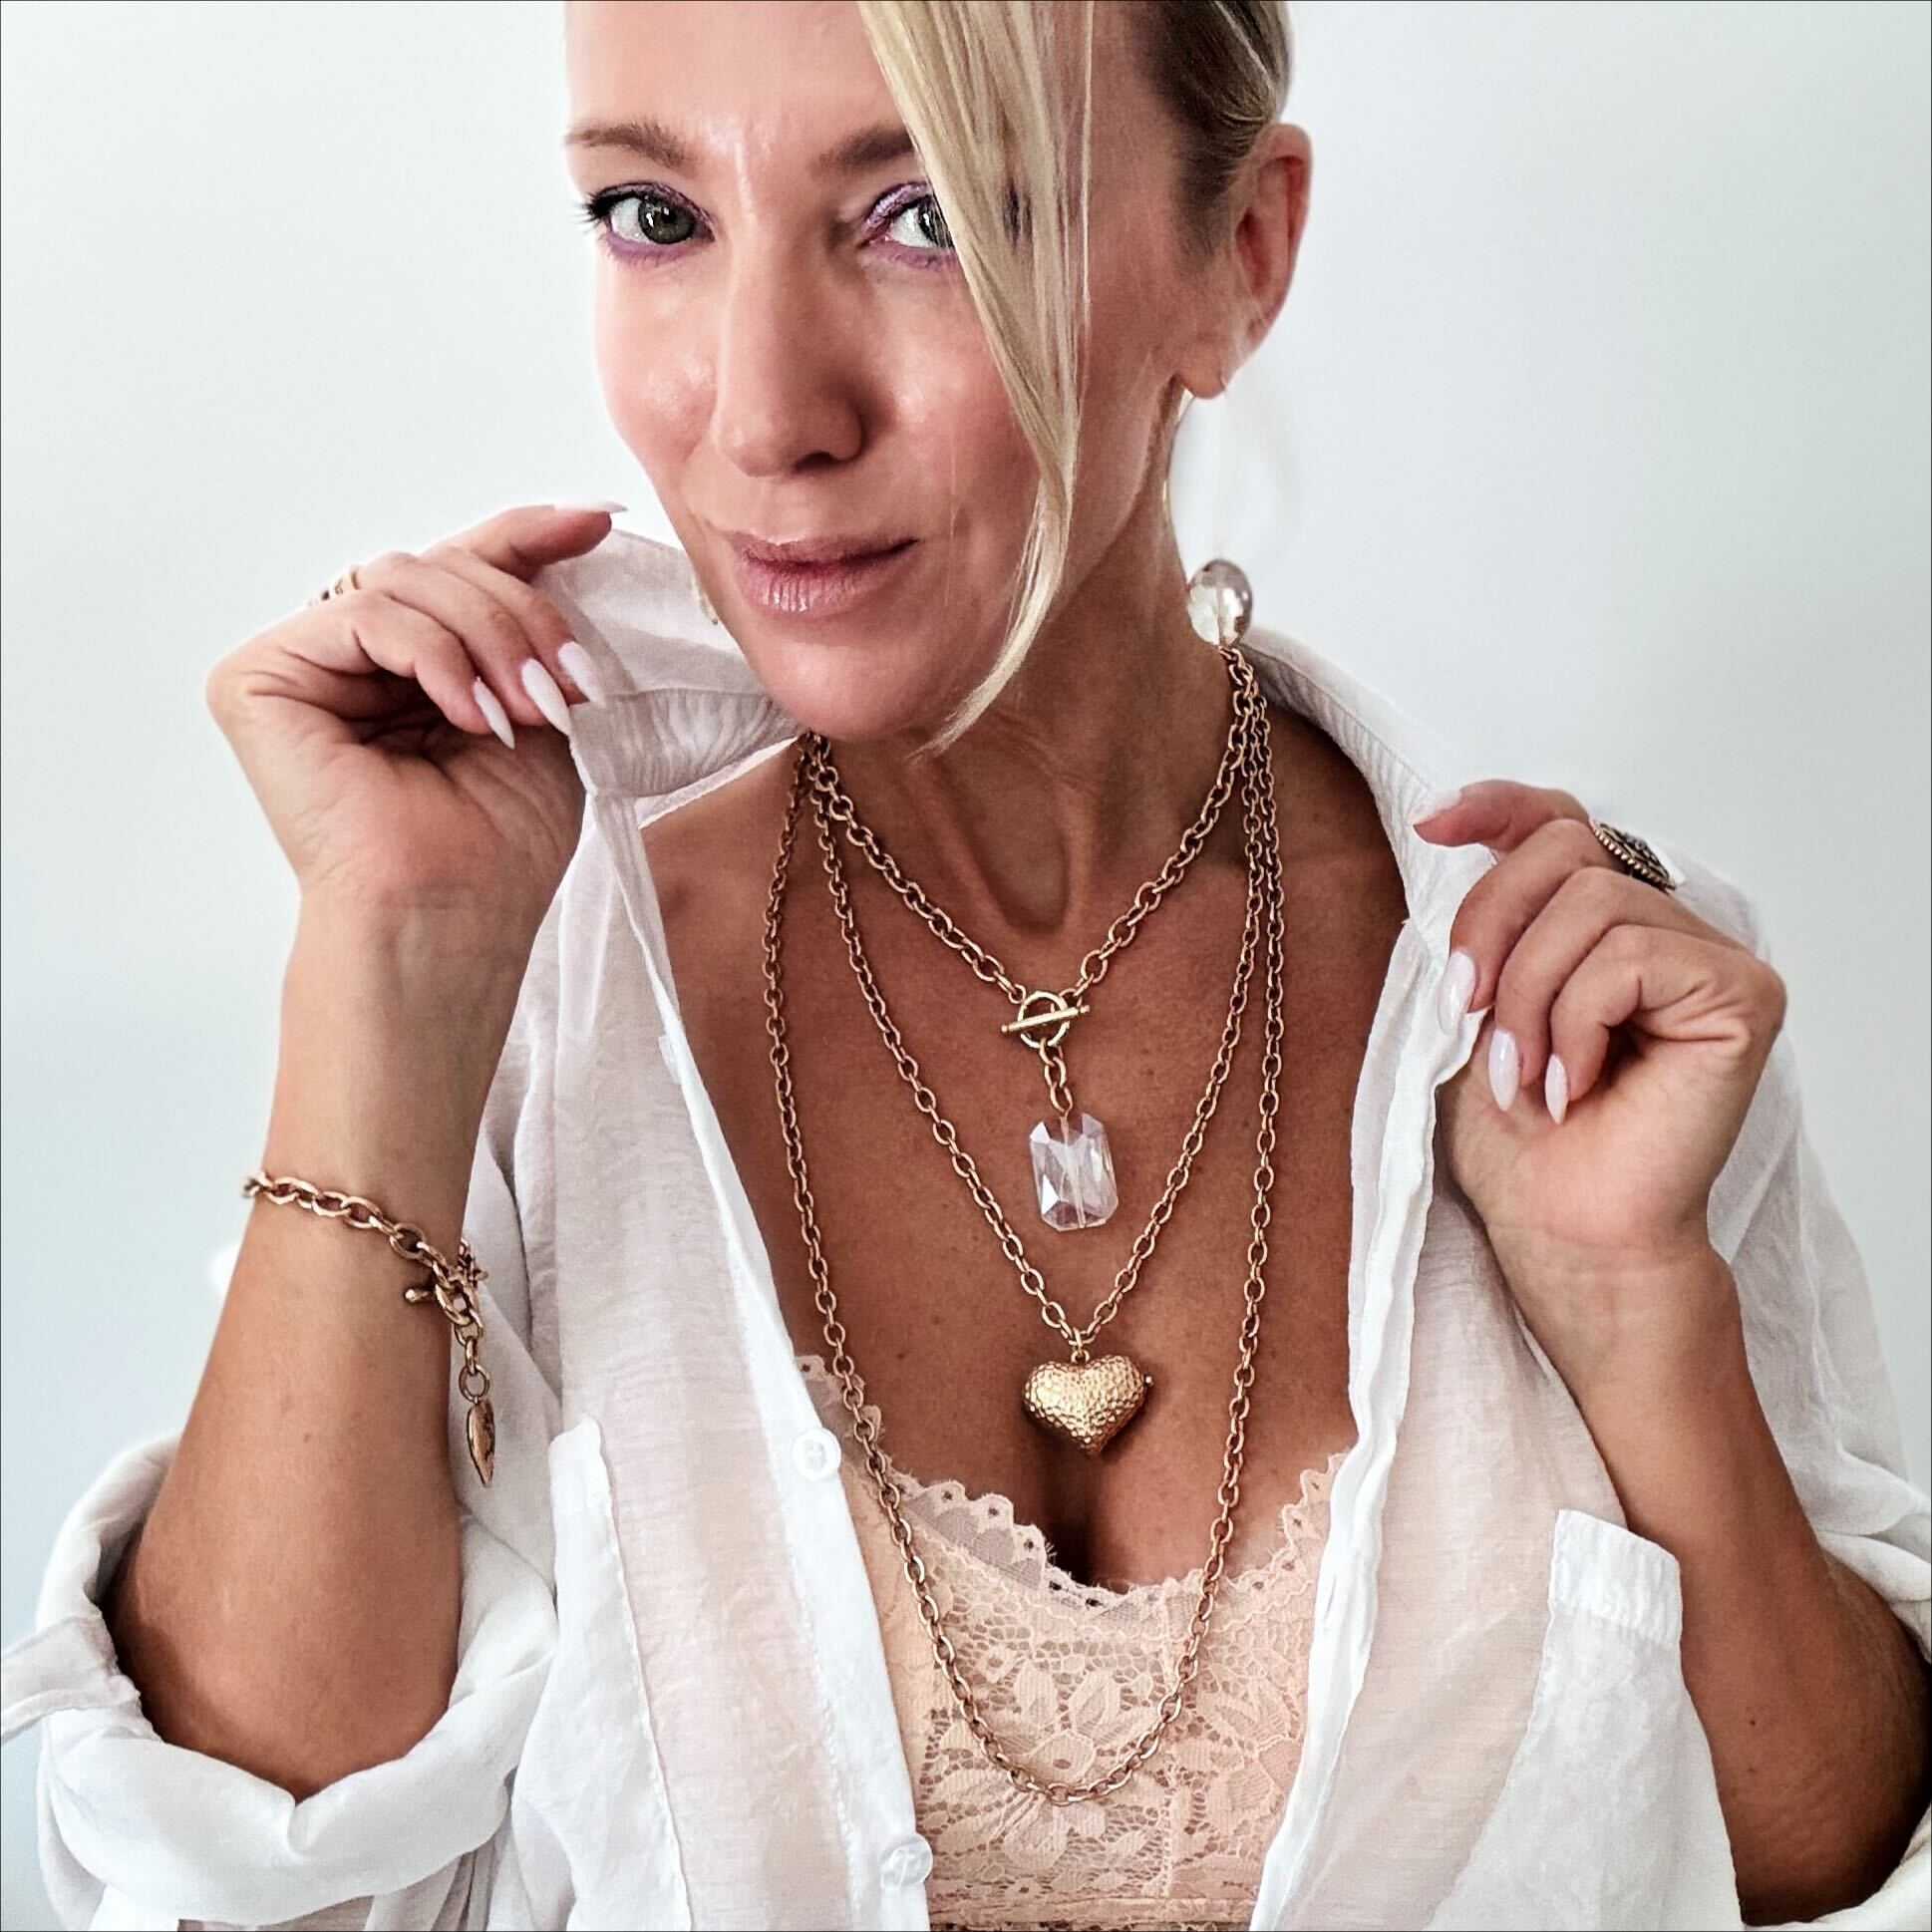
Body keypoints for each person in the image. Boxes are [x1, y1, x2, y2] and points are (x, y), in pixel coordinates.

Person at [3, 3, 1927, 1927]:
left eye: (925, 213)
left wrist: (1636, 1306)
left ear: (1237, 257)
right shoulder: (524, 1013)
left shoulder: (1565, 1003)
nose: (764, 414)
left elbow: (1813, 1860)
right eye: (655, 216)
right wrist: (391, 966)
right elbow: (224, 1884)